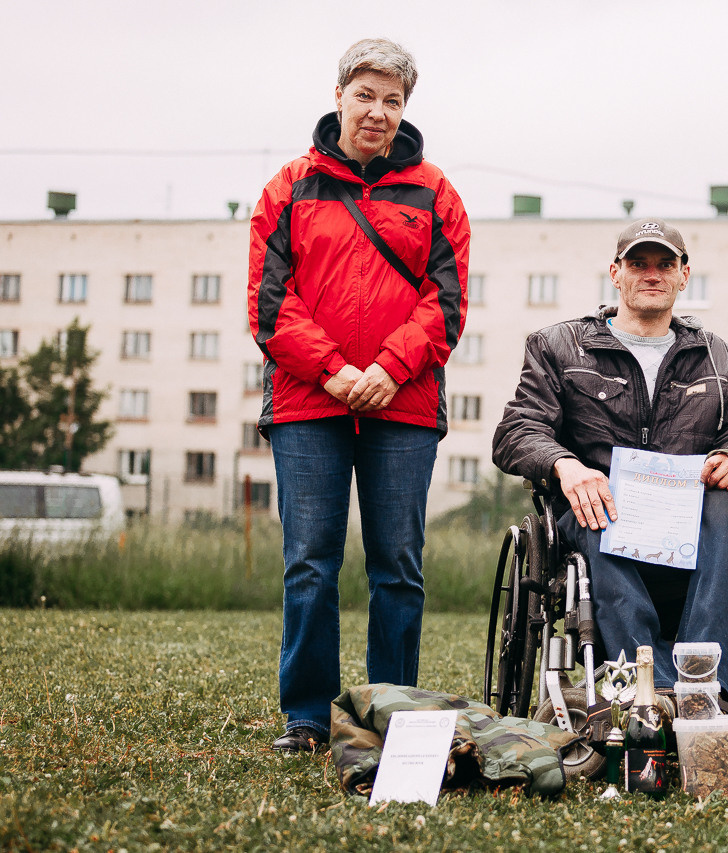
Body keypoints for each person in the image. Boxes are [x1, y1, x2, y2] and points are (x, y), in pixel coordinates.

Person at [247, 38, 470, 753]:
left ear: (405, 108)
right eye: (365, 95)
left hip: (403, 404)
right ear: (339, 95)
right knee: (309, 564)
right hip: (309, 403)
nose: (378, 111)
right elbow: (269, 304)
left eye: (392, 100)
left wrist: (389, 369)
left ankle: (391, 714)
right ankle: (308, 717)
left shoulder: (436, 193)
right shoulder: (288, 188)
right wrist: (335, 371)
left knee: (397, 565)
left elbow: (446, 303)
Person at [492, 219, 728, 697]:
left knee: (723, 505)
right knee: (596, 505)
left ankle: (706, 687)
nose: (652, 274)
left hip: (687, 520)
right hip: (599, 511)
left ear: (684, 275)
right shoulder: (558, 346)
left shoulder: (720, 360)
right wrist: (566, 465)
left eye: (665, 264)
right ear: (615, 273)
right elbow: (517, 430)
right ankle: (648, 690)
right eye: (638, 263)